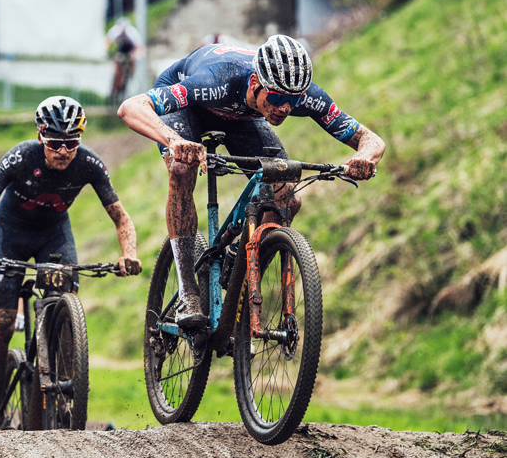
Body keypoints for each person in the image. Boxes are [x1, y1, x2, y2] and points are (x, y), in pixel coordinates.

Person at [117, 34, 386, 328]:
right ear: (255, 83)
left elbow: (370, 139)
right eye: (278, 99)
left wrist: (364, 157)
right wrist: (175, 141)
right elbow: (130, 107)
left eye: (292, 101)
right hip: (189, 110)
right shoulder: (216, 79)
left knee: (286, 197)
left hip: (244, 117)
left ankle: (237, 268)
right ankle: (188, 292)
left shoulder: (297, 94)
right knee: (181, 170)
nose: (285, 108)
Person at [0, 96, 142, 430]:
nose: (63, 151)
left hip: (53, 234)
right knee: (3, 321)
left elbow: (121, 218)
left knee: (65, 301)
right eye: (55, 142)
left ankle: (64, 393)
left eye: (71, 142)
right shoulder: (20, 157)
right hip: (10, 234)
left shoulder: (89, 163)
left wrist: (129, 254)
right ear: (40, 135)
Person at [106, 19, 144, 104]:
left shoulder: (132, 32)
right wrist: (109, 54)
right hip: (120, 53)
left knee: (129, 71)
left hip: (129, 54)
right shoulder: (115, 31)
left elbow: (139, 46)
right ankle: (114, 90)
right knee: (118, 71)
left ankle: (126, 85)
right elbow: (108, 43)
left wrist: (135, 56)